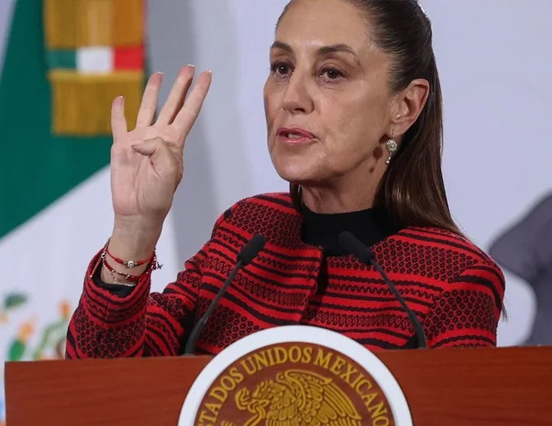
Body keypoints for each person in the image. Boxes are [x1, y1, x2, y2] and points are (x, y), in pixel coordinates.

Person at [65, 0, 505, 359]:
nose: (291, 98)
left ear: (404, 107)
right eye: (281, 67)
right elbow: (102, 388)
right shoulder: (245, 232)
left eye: (331, 72)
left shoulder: (454, 277)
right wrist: (135, 230)